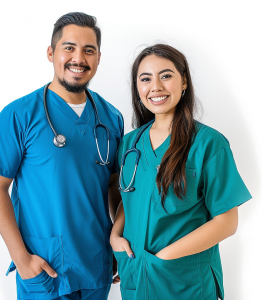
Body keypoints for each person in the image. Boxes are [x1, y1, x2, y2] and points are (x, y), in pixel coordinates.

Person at [0, 12, 123, 300]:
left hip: (97, 263)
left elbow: (113, 185)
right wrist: (21, 258)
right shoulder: (19, 115)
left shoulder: (112, 117)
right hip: (44, 267)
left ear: (98, 58)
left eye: (88, 50)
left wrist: (118, 240)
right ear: (51, 53)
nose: (78, 58)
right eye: (68, 47)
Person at [110, 44, 252, 300]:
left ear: (183, 81)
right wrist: (114, 235)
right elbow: (128, 198)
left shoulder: (209, 143)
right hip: (136, 278)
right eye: (145, 79)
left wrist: (164, 257)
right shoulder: (129, 144)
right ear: (137, 87)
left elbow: (226, 223)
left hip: (183, 280)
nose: (156, 86)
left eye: (166, 75)